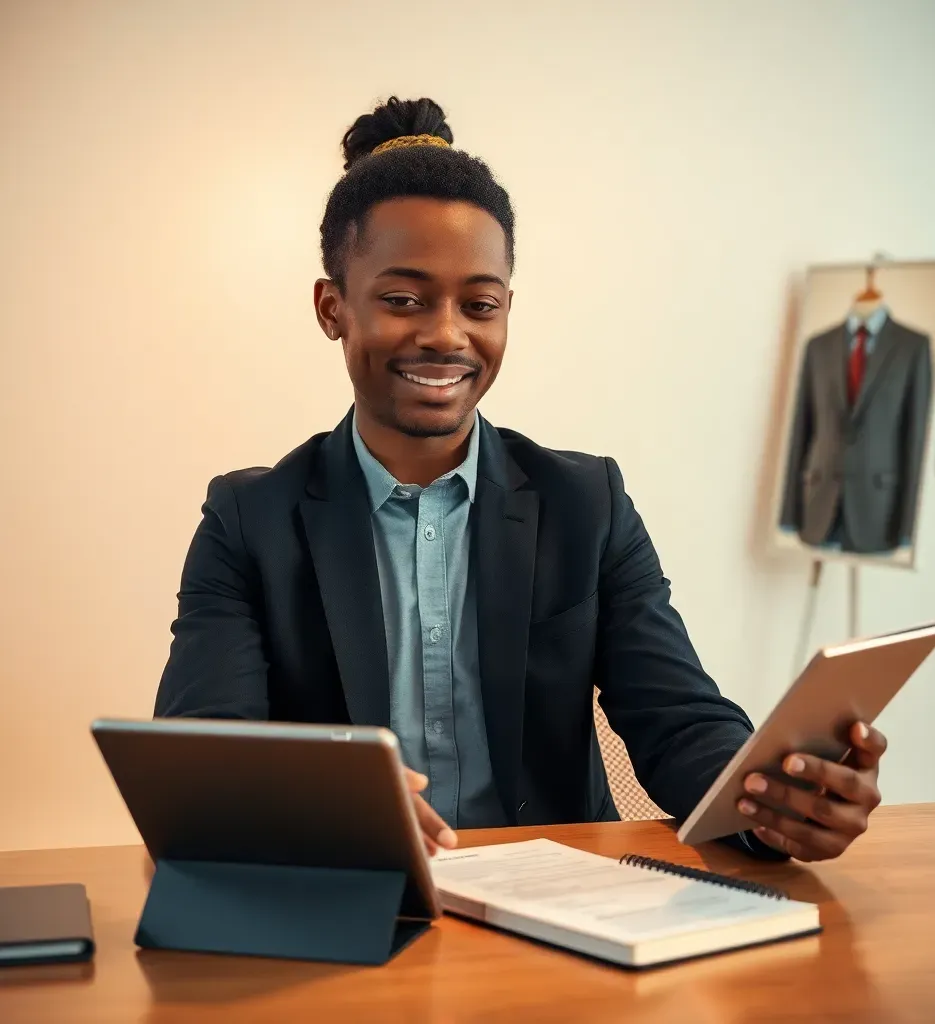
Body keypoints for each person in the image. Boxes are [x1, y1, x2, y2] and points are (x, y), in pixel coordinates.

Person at [155, 96, 887, 863]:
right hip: (349, 902)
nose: (445, 334)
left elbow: (681, 721)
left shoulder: (587, 505)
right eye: (403, 299)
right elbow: (201, 758)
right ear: (332, 307)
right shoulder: (249, 521)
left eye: (480, 304)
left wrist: (775, 802)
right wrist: (332, 800)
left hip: (559, 913)